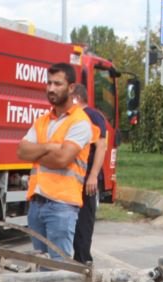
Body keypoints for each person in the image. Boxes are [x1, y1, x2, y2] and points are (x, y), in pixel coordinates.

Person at [16, 62, 92, 261]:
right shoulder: (42, 121)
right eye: (48, 83)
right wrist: (49, 147)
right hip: (37, 203)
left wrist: (37, 152)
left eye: (57, 84)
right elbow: (22, 151)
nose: (51, 88)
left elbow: (62, 159)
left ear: (71, 88)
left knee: (58, 270)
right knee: (41, 266)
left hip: (61, 206)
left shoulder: (80, 122)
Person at [70, 83, 109, 264]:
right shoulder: (72, 117)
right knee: (73, 225)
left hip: (87, 180)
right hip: (74, 180)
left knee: (84, 224)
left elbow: (101, 146)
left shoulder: (92, 116)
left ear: (76, 98)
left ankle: (83, 261)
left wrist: (93, 175)